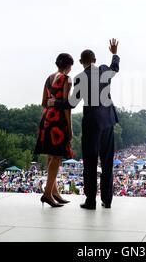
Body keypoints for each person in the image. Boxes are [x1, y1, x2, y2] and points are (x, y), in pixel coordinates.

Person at [49, 39, 120, 210]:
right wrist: (114, 53)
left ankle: (90, 201)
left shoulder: (80, 78)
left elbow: (72, 103)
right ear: (94, 60)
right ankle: (107, 200)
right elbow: (115, 67)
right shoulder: (104, 70)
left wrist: (55, 103)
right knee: (107, 163)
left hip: (91, 123)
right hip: (108, 121)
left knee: (90, 163)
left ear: (81, 62)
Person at [34, 53, 74, 208]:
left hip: (46, 118)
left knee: (51, 156)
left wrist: (52, 104)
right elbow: (66, 106)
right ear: (69, 66)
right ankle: (47, 194)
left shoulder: (49, 78)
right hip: (59, 121)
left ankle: (54, 192)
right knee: (57, 157)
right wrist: (70, 128)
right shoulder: (66, 79)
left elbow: (44, 102)